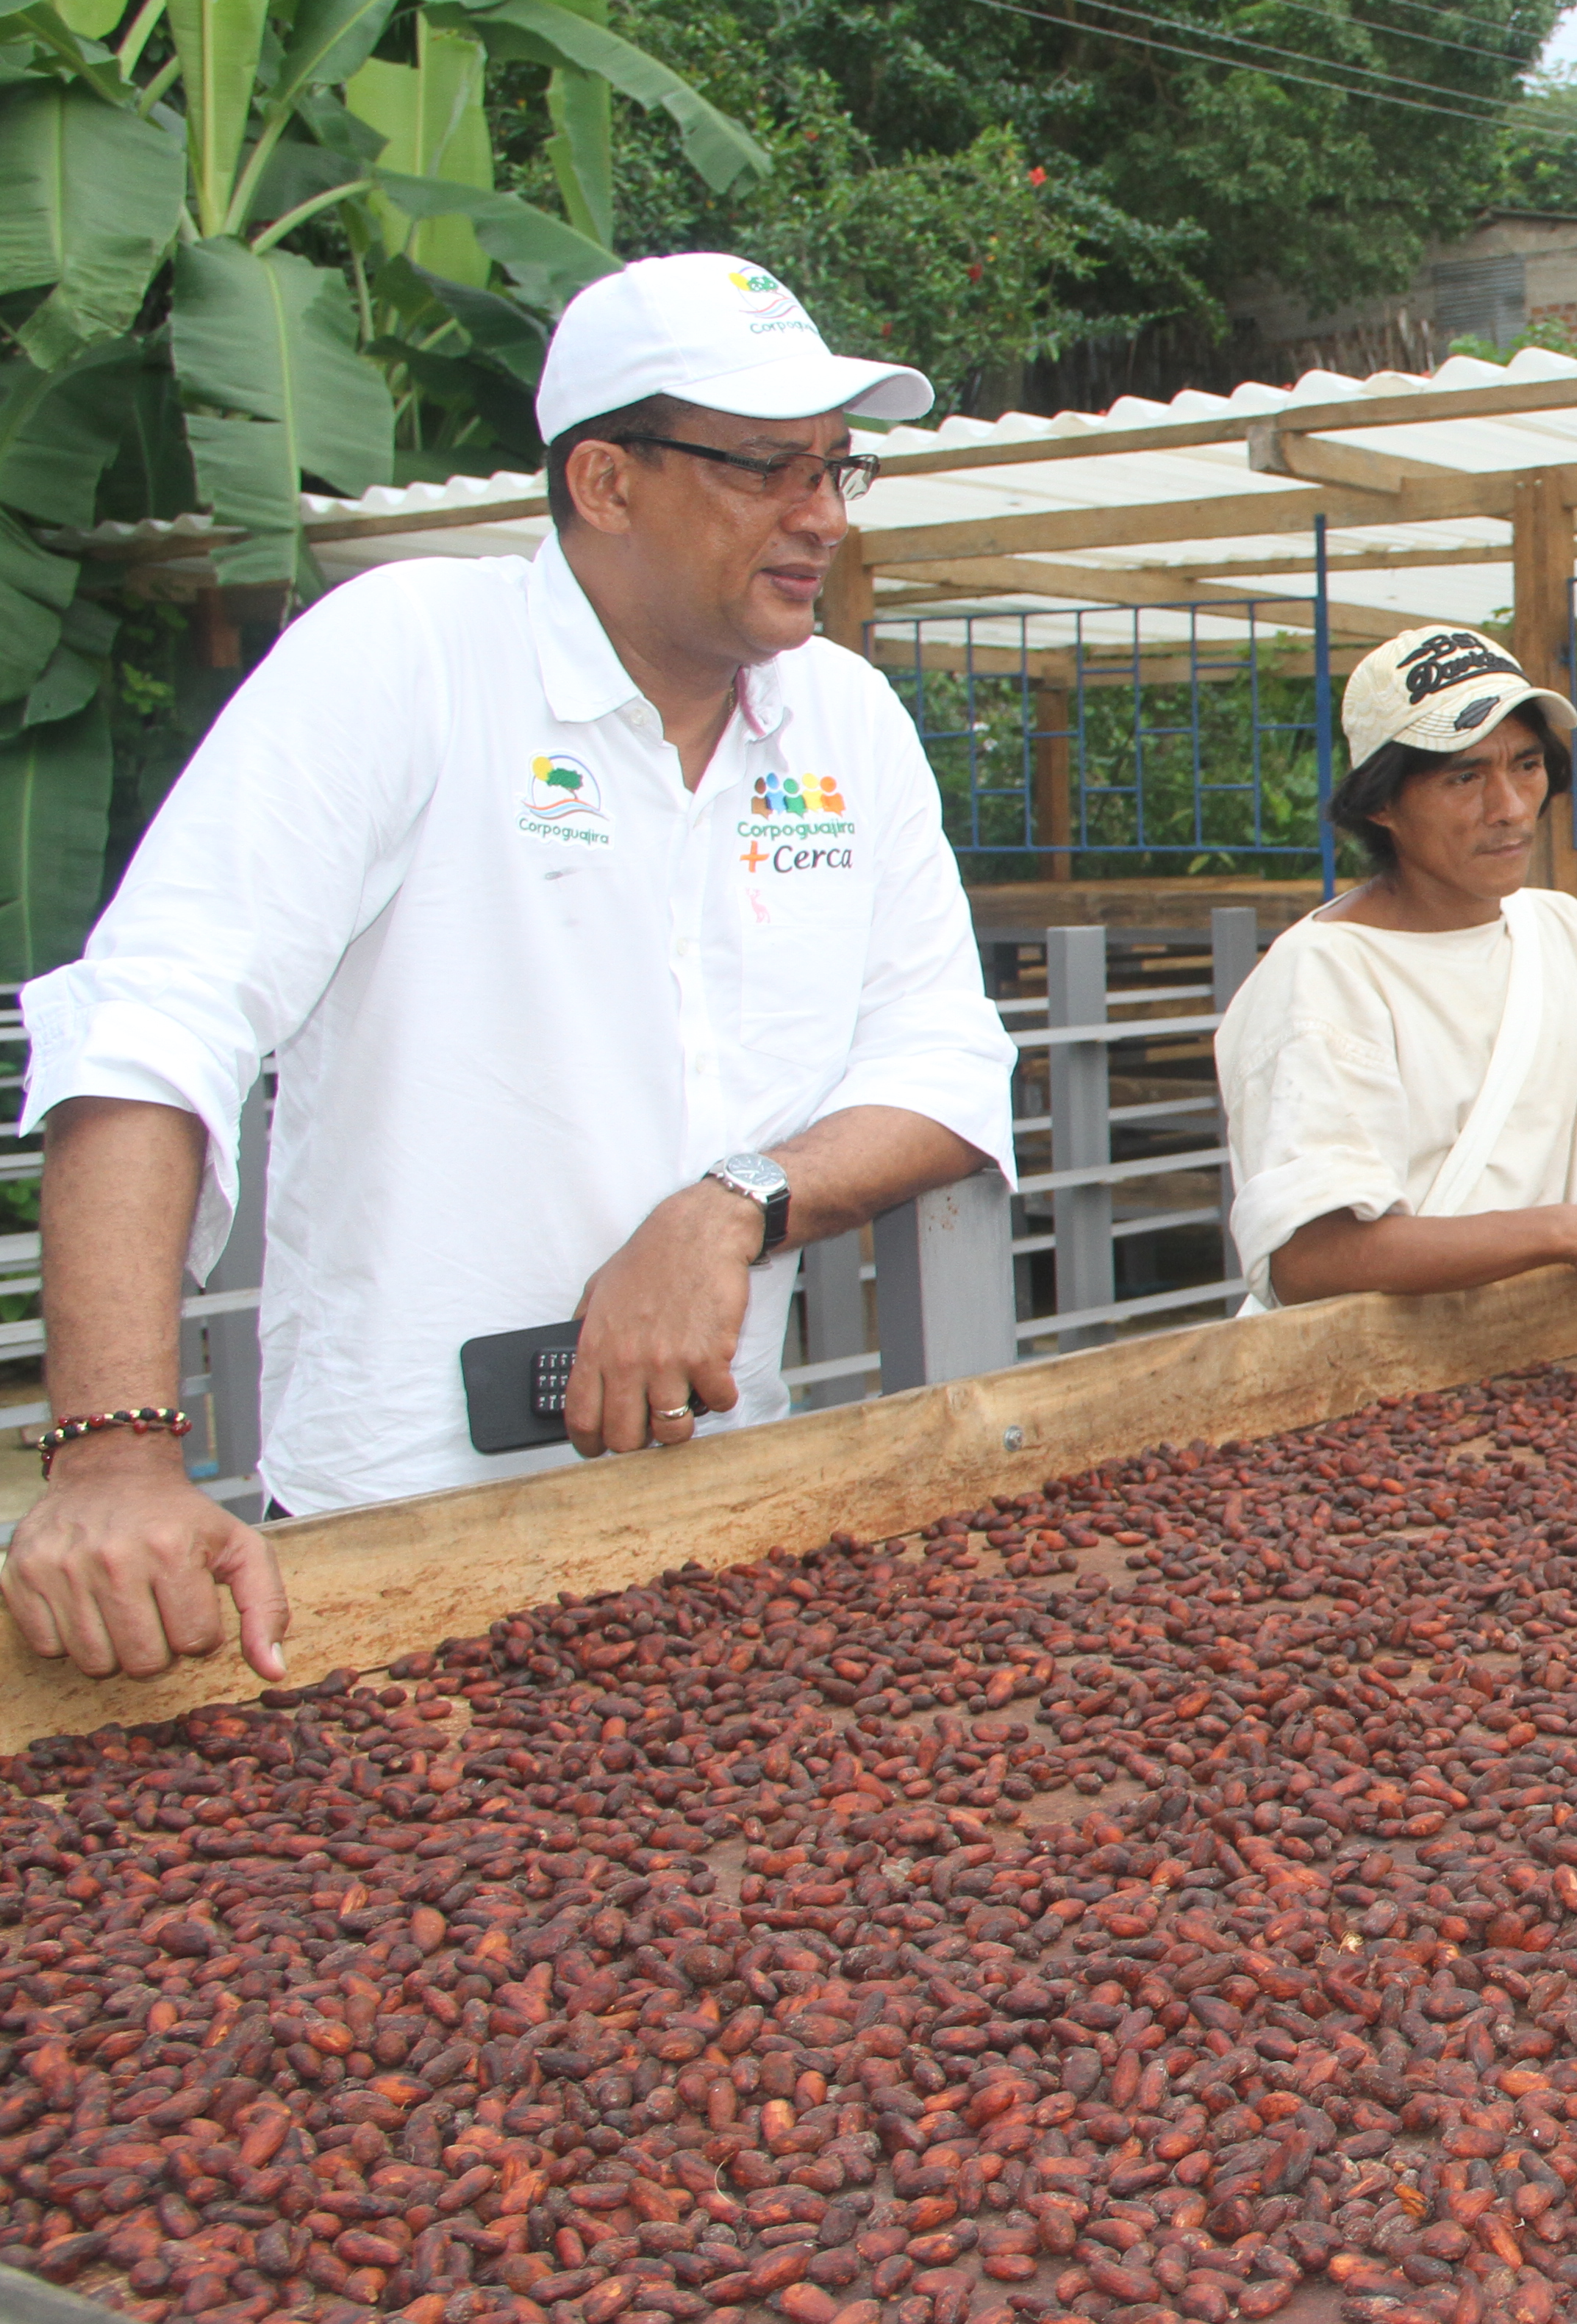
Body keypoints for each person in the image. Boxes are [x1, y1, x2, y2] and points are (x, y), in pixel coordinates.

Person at [6, 253, 1016, 1688]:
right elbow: (154, 1026)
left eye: (841, 470)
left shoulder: (846, 721)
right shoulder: (406, 656)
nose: (823, 518)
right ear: (605, 482)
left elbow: (943, 1062)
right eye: (767, 469)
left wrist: (729, 1209)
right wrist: (111, 1455)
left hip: (730, 1509)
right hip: (400, 1534)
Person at [1216, 625, 1577, 1313]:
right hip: (1357, 1387)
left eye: (1526, 765)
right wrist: (1568, 1233)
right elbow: (1310, 1261)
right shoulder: (1324, 977)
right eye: (1464, 776)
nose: (1508, 808)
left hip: (1527, 1361)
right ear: (1380, 803)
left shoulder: (1562, 933)